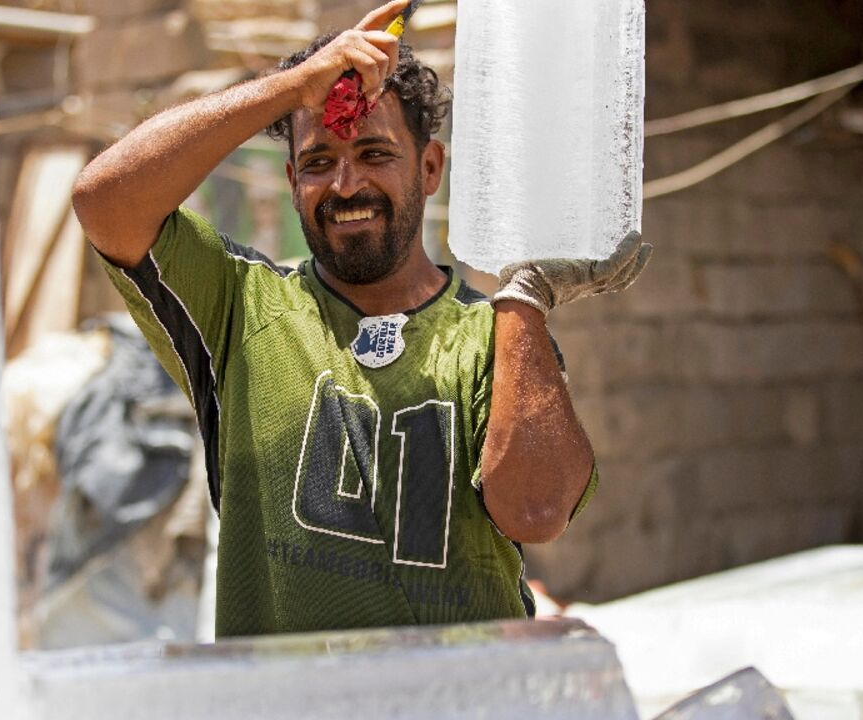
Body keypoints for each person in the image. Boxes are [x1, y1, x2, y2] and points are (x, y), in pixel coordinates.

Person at [70, 0, 651, 637]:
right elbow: (104, 198)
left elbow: (537, 511)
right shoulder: (240, 306)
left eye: (375, 153)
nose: (346, 185)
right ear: (292, 181)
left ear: (430, 169)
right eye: (318, 163)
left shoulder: (496, 333)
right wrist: (292, 86)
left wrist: (527, 297)